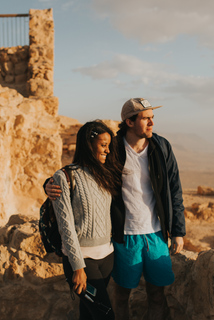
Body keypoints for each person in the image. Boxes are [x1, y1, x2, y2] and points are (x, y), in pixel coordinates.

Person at [46, 98, 186, 320]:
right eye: (146, 118)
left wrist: (178, 230)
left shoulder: (161, 147)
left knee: (157, 295)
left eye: (152, 118)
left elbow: (174, 189)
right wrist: (50, 183)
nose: (152, 123)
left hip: (156, 234)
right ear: (129, 122)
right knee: (120, 296)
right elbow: (84, 168)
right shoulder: (114, 149)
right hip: (124, 236)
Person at [51, 120, 122, 320]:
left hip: (107, 256)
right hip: (82, 261)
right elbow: (66, 227)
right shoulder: (64, 176)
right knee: (105, 315)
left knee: (89, 314)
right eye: (103, 145)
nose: (107, 150)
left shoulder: (106, 174)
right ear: (88, 144)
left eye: (109, 145)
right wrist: (78, 267)